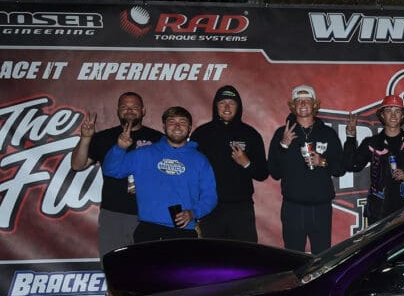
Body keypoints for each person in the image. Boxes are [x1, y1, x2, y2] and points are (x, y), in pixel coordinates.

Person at [101, 106, 218, 243]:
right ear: (164, 127)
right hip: (149, 230)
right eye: (172, 122)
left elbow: (210, 196)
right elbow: (111, 170)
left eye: (182, 122)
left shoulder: (200, 160)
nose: (177, 126)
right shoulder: (144, 154)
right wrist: (120, 148)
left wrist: (193, 213)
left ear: (189, 128)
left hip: (184, 231)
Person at [70, 91, 163, 255]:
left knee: (148, 266)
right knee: (113, 265)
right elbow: (77, 165)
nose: (129, 110)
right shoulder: (104, 138)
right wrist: (85, 138)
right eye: (124, 107)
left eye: (134, 107)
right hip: (113, 214)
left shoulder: (159, 139)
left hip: (149, 214)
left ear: (143, 111)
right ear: (118, 111)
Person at [267, 85, 345, 253]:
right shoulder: (282, 133)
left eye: (307, 101)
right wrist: (283, 145)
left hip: (321, 208)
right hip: (293, 208)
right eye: (298, 101)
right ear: (293, 106)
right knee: (293, 258)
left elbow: (340, 169)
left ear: (314, 105)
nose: (302, 104)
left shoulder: (327, 133)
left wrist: (322, 161)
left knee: (322, 258)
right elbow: (274, 172)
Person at [191, 85, 269, 242]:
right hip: (210, 207)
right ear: (215, 106)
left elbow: (262, 174)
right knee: (210, 254)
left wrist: (246, 163)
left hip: (241, 208)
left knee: (245, 253)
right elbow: (190, 173)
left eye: (231, 103)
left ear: (239, 107)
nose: (227, 107)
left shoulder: (250, 134)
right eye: (222, 103)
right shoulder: (201, 134)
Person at [343, 94, 404, 225]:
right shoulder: (372, 143)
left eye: (397, 111)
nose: (393, 115)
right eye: (389, 111)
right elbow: (351, 165)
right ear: (382, 115)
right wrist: (350, 137)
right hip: (378, 211)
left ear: (403, 115)